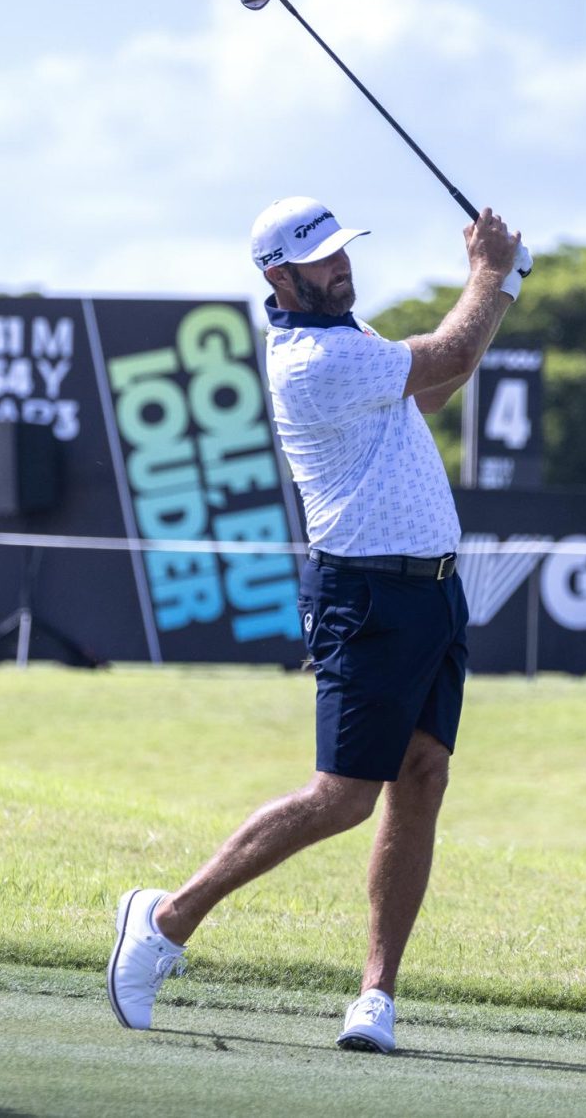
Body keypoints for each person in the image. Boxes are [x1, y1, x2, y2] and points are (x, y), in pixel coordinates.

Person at [107, 196, 529, 1053]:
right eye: (322, 261)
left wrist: (501, 289)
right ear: (281, 280)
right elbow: (448, 349)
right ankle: (164, 921)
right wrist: (489, 273)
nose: (342, 267)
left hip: (434, 594)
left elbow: (437, 389)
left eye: (343, 252)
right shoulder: (307, 359)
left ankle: (376, 996)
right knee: (341, 797)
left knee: (422, 778)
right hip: (365, 595)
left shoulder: (353, 338)